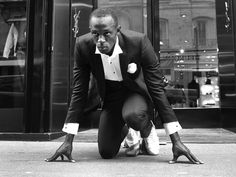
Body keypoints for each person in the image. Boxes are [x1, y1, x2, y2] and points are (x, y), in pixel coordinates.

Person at [45, 7, 203, 164]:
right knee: (106, 152)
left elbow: (156, 88)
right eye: (95, 34)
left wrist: (176, 141)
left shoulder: (139, 42)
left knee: (133, 116)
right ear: (90, 31)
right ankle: (129, 131)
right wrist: (67, 141)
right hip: (111, 96)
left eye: (106, 33)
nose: (100, 40)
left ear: (117, 30)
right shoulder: (82, 45)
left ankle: (146, 128)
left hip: (136, 93)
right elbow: (79, 91)